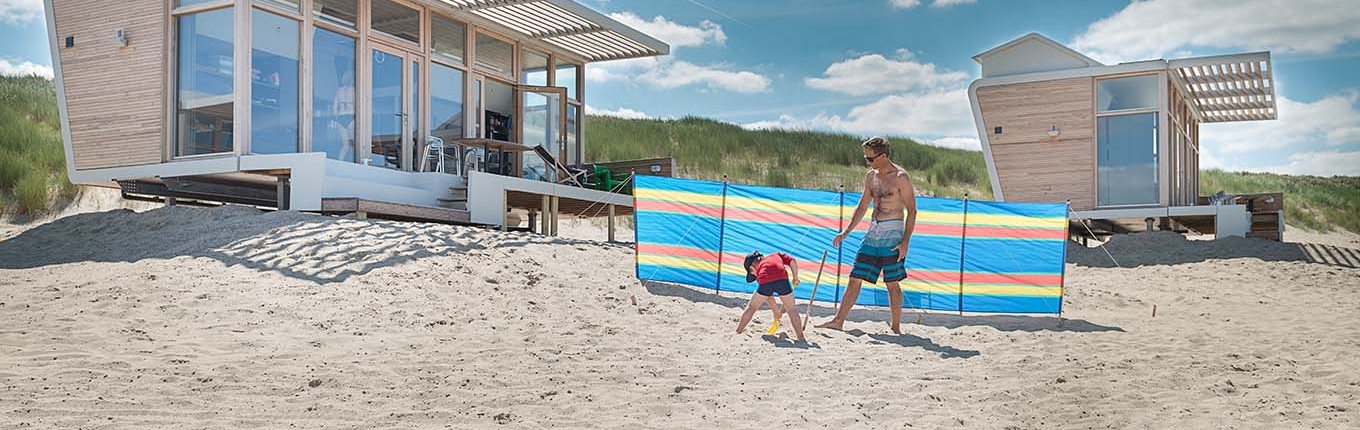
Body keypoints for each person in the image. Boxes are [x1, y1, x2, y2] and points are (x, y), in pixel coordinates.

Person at [816, 137, 918, 334]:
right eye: (866, 158)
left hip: (893, 234)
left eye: (870, 159)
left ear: (884, 156)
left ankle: (895, 327)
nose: (867, 162)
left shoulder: (900, 177)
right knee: (855, 277)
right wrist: (846, 232)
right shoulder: (871, 176)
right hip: (872, 233)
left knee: (891, 283)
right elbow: (863, 205)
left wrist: (905, 242)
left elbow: (912, 211)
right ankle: (838, 321)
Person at [736, 251, 806, 342]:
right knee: (792, 309)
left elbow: (768, 296)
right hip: (782, 279)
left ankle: (739, 331)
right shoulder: (776, 255)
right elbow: (792, 261)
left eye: (752, 273)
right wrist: (795, 277)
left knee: (752, 307)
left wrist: (775, 312)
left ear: (752, 267)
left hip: (766, 281)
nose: (754, 275)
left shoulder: (761, 272)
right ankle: (801, 337)